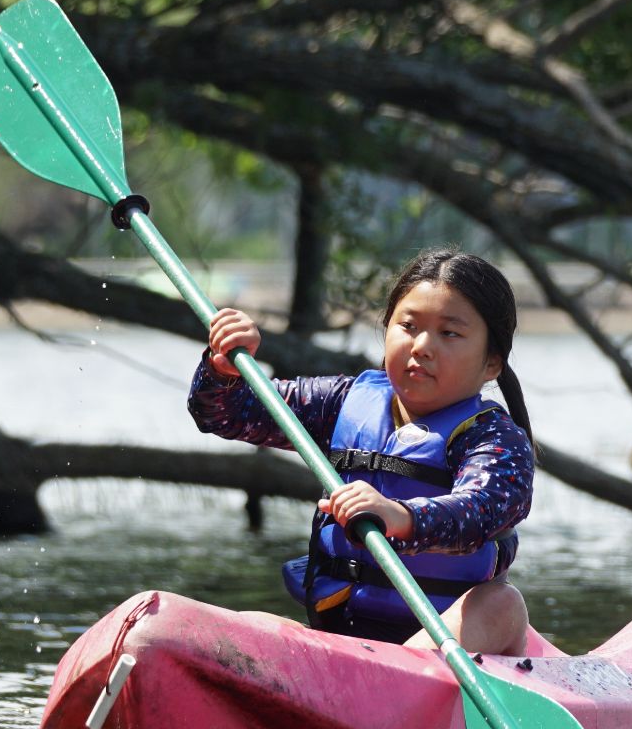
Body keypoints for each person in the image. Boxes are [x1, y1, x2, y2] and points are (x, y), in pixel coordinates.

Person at [188, 248, 535, 655]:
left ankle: (405, 689)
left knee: (500, 604)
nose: (422, 346)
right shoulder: (341, 401)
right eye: (407, 326)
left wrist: (402, 517)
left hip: (444, 644)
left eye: (450, 333)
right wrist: (222, 368)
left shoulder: (494, 438)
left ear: (492, 362)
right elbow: (224, 414)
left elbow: (484, 509)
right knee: (238, 629)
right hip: (342, 640)